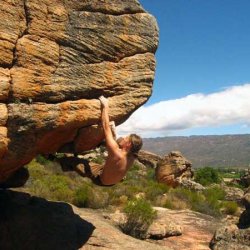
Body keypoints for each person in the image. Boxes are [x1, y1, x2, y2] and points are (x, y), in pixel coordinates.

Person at [58, 96, 143, 186]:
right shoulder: (132, 156)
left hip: (100, 179)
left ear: (128, 144)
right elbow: (120, 145)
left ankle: (54, 159)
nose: (124, 137)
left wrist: (105, 106)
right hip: (113, 180)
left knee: (76, 162)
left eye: (126, 138)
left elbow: (106, 126)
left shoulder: (116, 152)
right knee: (115, 142)